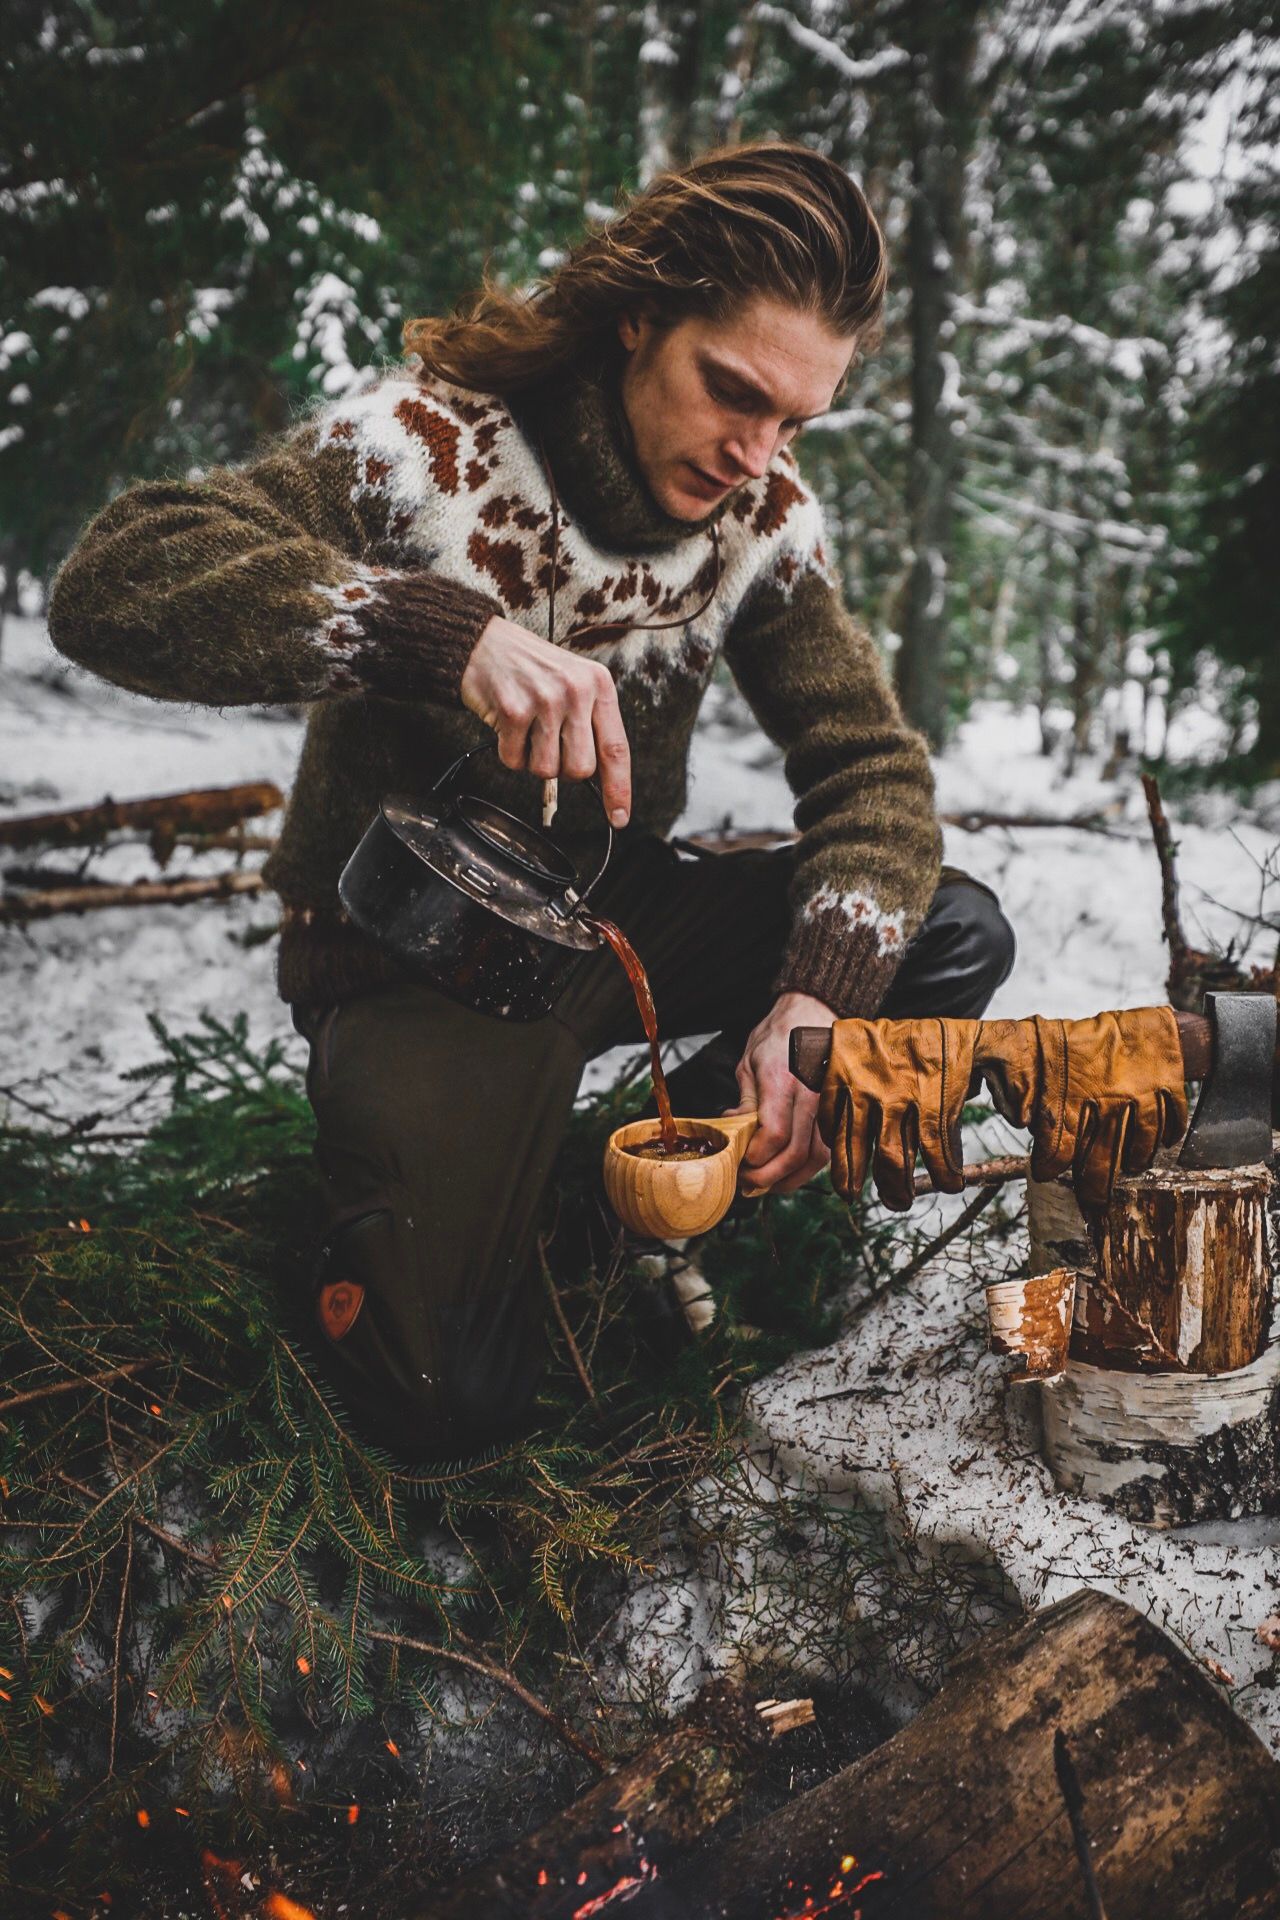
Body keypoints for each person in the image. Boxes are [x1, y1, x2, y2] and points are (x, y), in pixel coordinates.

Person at [47, 141, 1015, 1459]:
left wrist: (815, 995)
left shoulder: (758, 515)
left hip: (608, 918)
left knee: (944, 935)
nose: (757, 453)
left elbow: (873, 768)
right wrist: (435, 633)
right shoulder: (426, 446)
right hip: (406, 953)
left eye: (796, 422)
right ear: (638, 317)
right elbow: (116, 578)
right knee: (450, 1406)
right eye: (734, 393)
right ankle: (477, 1217)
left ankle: (633, 1185)